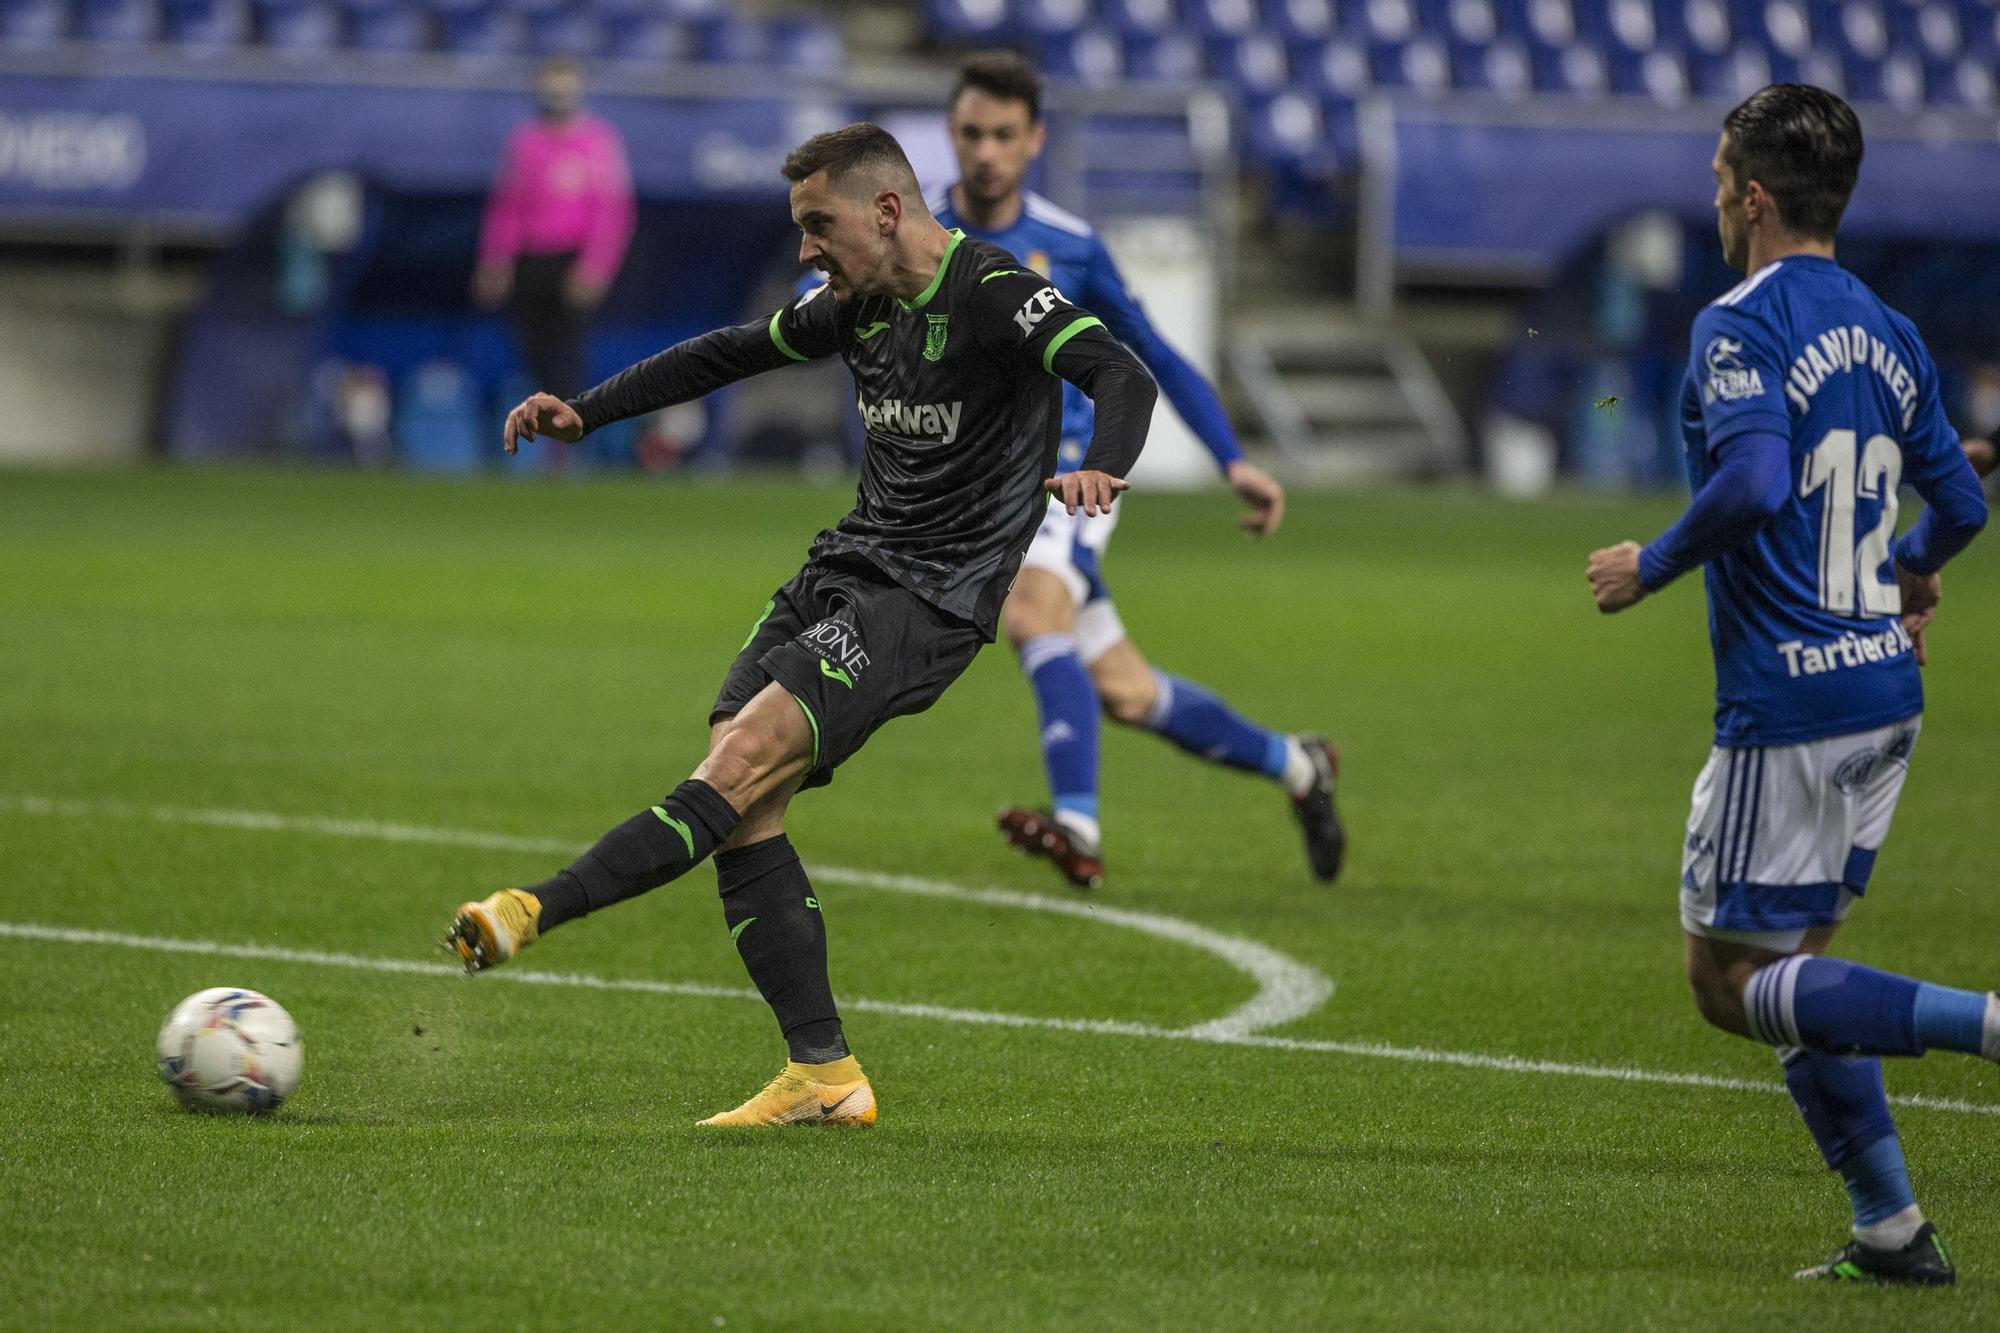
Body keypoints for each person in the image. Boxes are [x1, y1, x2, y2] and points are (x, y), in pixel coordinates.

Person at [444, 123, 1157, 1128]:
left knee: (735, 768)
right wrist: (587, 412)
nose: (806, 249)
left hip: (929, 603)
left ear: (887, 210)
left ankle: (531, 908)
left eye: (819, 225)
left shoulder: (991, 291)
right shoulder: (852, 308)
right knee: (741, 794)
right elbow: (728, 353)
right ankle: (822, 1074)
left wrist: (1104, 463)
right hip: (842, 569)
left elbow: (1120, 373)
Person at [1585, 85, 1989, 1284]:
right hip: (1884, 692)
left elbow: (1756, 480)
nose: (1711, 194)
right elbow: (1961, 505)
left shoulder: (1736, 323)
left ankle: (1984, 1023)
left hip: (1790, 699)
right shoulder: (1887, 324)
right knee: (1804, 977)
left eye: (1718, 176)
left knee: (1729, 983)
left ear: (1752, 197)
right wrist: (1906, 575)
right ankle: (1891, 1228)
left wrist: (1647, 564)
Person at [930, 52, 1342, 891]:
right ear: (952, 134)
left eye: (1004, 135)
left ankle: (1077, 824)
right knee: (1122, 689)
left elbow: (1152, 356)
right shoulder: (921, 242)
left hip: (1070, 477)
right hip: (973, 488)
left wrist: (1234, 460)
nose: (986, 152)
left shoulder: (1072, 249)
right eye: (972, 132)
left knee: (1032, 605)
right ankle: (1301, 766)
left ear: (1034, 140)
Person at [473, 58, 636, 406]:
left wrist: (595, 266)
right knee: (532, 351)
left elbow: (612, 213)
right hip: (532, 259)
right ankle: (544, 433)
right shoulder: (527, 142)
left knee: (569, 353)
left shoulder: (597, 143)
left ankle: (570, 436)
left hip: (573, 258)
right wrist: (495, 260)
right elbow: (508, 206)